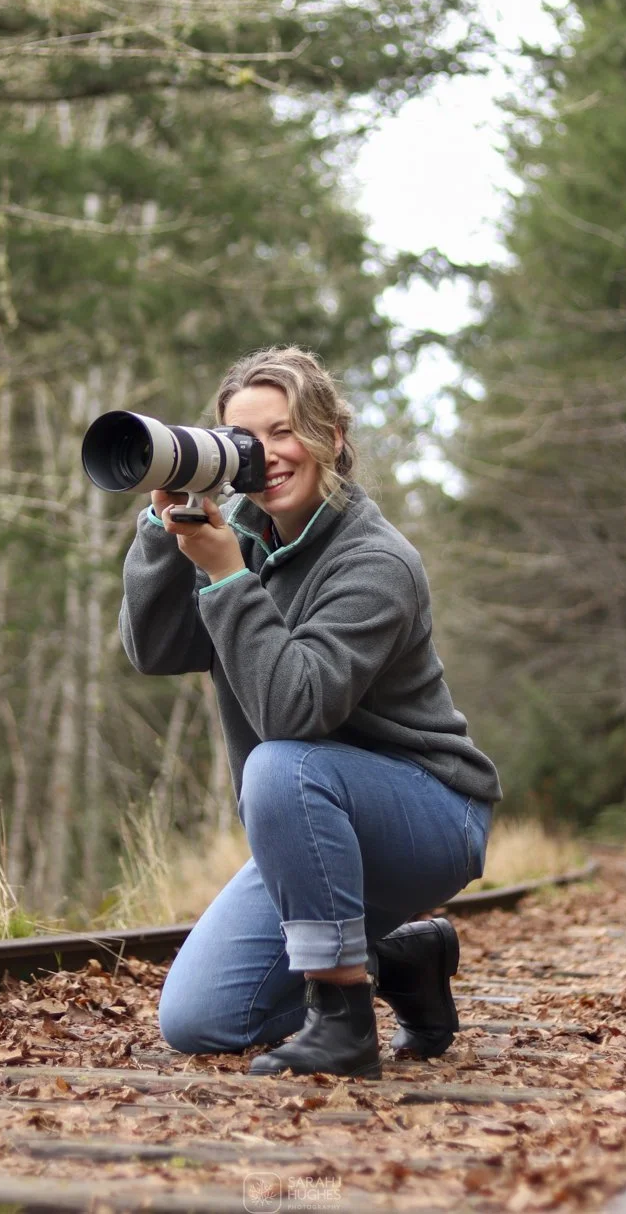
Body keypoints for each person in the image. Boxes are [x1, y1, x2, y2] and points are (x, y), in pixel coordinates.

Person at [119, 346, 501, 1078]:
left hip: (427, 815)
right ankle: (402, 960)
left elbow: (294, 714)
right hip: (308, 816)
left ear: (334, 440)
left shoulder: (375, 562)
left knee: (282, 764)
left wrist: (228, 576)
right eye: (245, 439)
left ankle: (342, 1021)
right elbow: (157, 649)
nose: (267, 453)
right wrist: (163, 530)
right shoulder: (242, 535)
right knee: (199, 1019)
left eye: (285, 430)